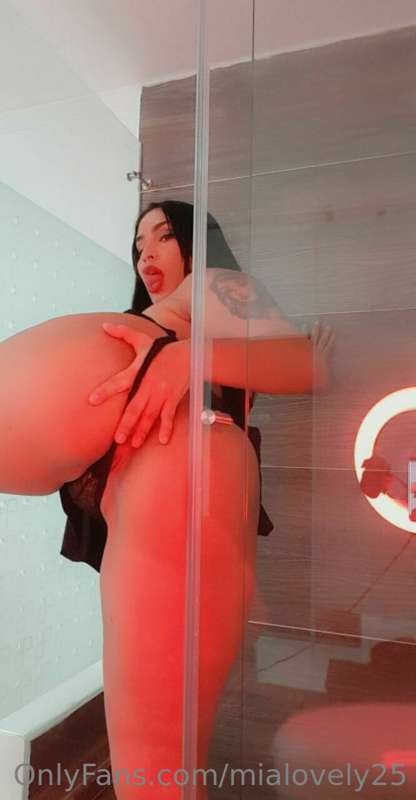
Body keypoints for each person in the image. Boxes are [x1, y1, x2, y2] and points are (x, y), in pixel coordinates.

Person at [0, 203, 334, 798]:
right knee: (154, 768)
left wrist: (189, 355)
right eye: (138, 244)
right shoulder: (160, 317)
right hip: (144, 458)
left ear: (198, 244)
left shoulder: (214, 284)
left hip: (174, 451)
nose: (146, 253)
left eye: (163, 236)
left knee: (154, 774)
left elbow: (304, 365)